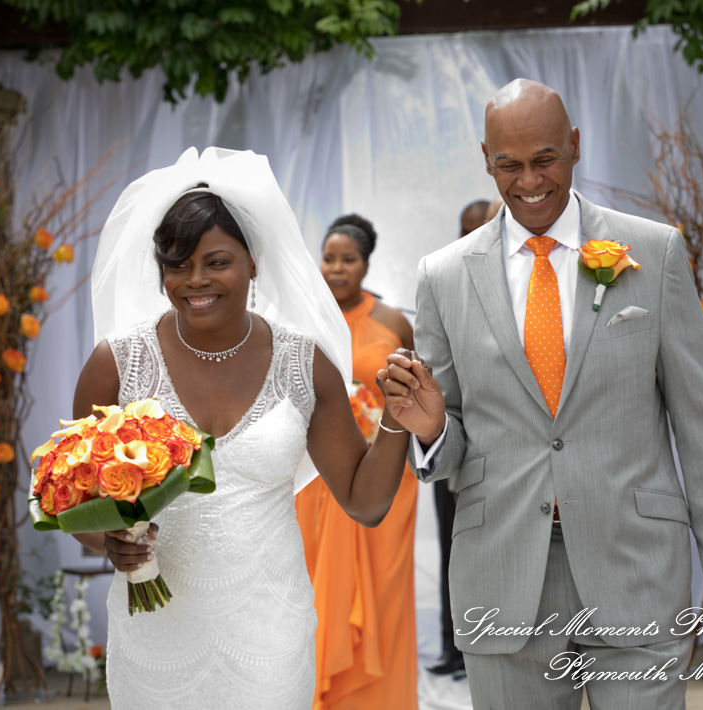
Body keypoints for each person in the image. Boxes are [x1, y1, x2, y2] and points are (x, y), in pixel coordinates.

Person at [380, 80, 703, 709]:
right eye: (509, 165)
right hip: (503, 578)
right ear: (486, 158)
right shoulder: (441, 277)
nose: (530, 181)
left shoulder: (655, 252)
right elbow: (449, 450)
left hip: (636, 571)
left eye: (545, 159)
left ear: (576, 146)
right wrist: (432, 429)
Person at [69, 148, 431, 710]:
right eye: (177, 264)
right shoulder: (118, 364)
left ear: (254, 262)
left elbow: (365, 503)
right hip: (155, 632)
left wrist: (396, 422)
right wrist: (109, 540)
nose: (195, 281)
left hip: (269, 631)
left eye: (216, 262)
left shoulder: (302, 364)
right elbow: (78, 506)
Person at [295, 214, 419, 709]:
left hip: (386, 476)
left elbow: (416, 394)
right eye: (329, 258)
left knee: (384, 596)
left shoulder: (393, 322)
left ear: (366, 264)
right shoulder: (301, 319)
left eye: (348, 259)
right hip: (317, 477)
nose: (336, 268)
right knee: (315, 591)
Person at [425, 198, 489, 681]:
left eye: (479, 227)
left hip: (495, 452)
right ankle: (453, 646)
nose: (472, 236)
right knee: (452, 552)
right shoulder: (443, 284)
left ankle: (475, 647)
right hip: (449, 443)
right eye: (465, 228)